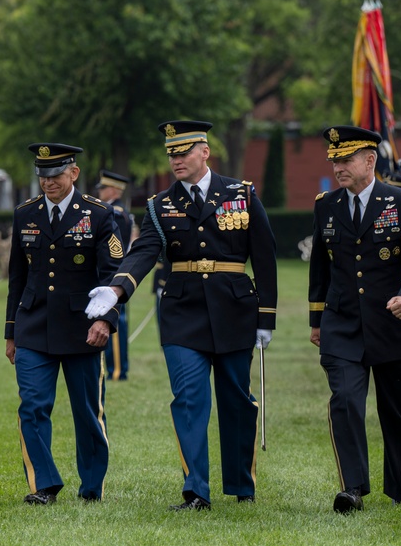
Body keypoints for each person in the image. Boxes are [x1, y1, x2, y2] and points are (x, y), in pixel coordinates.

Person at [85, 120, 277, 511]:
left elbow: (265, 257)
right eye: (171, 154)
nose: (176, 160)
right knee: (189, 398)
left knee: (236, 399)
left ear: (204, 152)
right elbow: (143, 253)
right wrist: (117, 288)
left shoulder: (241, 193)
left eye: (184, 152)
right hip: (182, 312)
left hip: (234, 309)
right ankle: (196, 490)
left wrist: (265, 317)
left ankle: (242, 484)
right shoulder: (159, 204)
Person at [308, 126, 401, 513]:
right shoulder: (326, 204)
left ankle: (399, 487)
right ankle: (353, 488)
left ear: (369, 160)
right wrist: (317, 319)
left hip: (391, 324)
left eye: (346, 160)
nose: (338, 167)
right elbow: (320, 265)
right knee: (345, 401)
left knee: (395, 412)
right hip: (342, 324)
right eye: (334, 161)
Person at [5, 143, 124, 504]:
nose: (48, 183)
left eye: (55, 175)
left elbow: (113, 274)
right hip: (34, 326)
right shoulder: (25, 214)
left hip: (82, 329)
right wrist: (11, 332)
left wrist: (105, 320)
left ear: (73, 173)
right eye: (42, 176)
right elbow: (16, 277)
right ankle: (44, 483)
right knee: (33, 406)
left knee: (87, 412)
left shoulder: (98, 214)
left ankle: (91, 486)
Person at [95, 170, 134, 381]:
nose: (100, 192)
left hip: (116, 274)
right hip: (116, 274)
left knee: (116, 321)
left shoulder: (116, 213)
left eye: (103, 188)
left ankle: (118, 369)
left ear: (114, 190)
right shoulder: (114, 211)